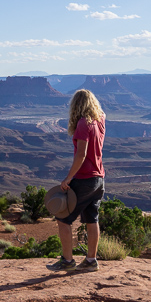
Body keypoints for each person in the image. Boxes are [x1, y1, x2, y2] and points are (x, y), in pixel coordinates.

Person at [49, 89, 105, 272]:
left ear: (76, 105)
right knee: (92, 218)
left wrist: (68, 178)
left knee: (63, 219)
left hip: (84, 179)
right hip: (99, 179)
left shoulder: (83, 124)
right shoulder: (99, 121)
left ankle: (67, 261)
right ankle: (91, 260)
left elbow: (81, 155)